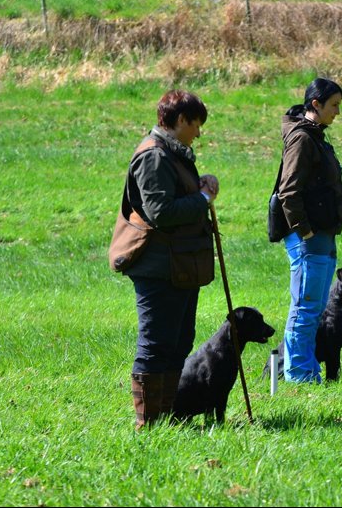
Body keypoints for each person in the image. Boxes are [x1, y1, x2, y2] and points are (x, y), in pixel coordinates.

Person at [115, 89, 219, 429]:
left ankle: (168, 418)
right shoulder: (153, 156)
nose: (199, 133)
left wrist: (198, 187)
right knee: (156, 344)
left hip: (179, 264)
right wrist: (202, 198)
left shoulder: (172, 153)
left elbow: (173, 195)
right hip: (159, 267)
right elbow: (161, 212)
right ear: (180, 120)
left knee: (179, 342)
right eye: (196, 124)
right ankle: (147, 424)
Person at [276, 78, 342, 383]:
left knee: (314, 307)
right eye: (334, 105)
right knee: (305, 308)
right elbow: (288, 191)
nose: (337, 112)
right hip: (309, 238)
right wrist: (304, 231)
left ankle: (303, 369)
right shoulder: (302, 139)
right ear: (315, 104)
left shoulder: (315, 136)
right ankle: (298, 373)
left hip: (323, 235)